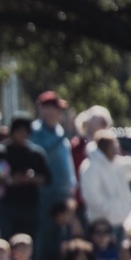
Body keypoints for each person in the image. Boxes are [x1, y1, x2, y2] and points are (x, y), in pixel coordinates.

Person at [79, 128, 131, 241]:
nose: (117, 149)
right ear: (105, 148)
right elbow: (91, 196)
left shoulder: (116, 163)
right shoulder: (91, 167)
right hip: (101, 227)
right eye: (114, 145)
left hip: (118, 224)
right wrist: (112, 211)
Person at [0, 115, 50, 241]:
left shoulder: (35, 154)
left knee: (29, 242)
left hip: (30, 206)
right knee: (7, 240)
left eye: (25, 131)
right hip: (7, 206)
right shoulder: (1, 152)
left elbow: (47, 178)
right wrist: (10, 180)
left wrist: (32, 178)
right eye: (19, 131)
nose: (22, 134)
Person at [30, 91, 77, 246]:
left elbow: (67, 160)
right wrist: (65, 134)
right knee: (46, 237)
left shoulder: (59, 131)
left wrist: (73, 184)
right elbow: (43, 153)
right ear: (44, 109)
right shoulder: (35, 131)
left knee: (62, 239)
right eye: (55, 108)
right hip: (46, 194)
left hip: (63, 194)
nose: (58, 113)